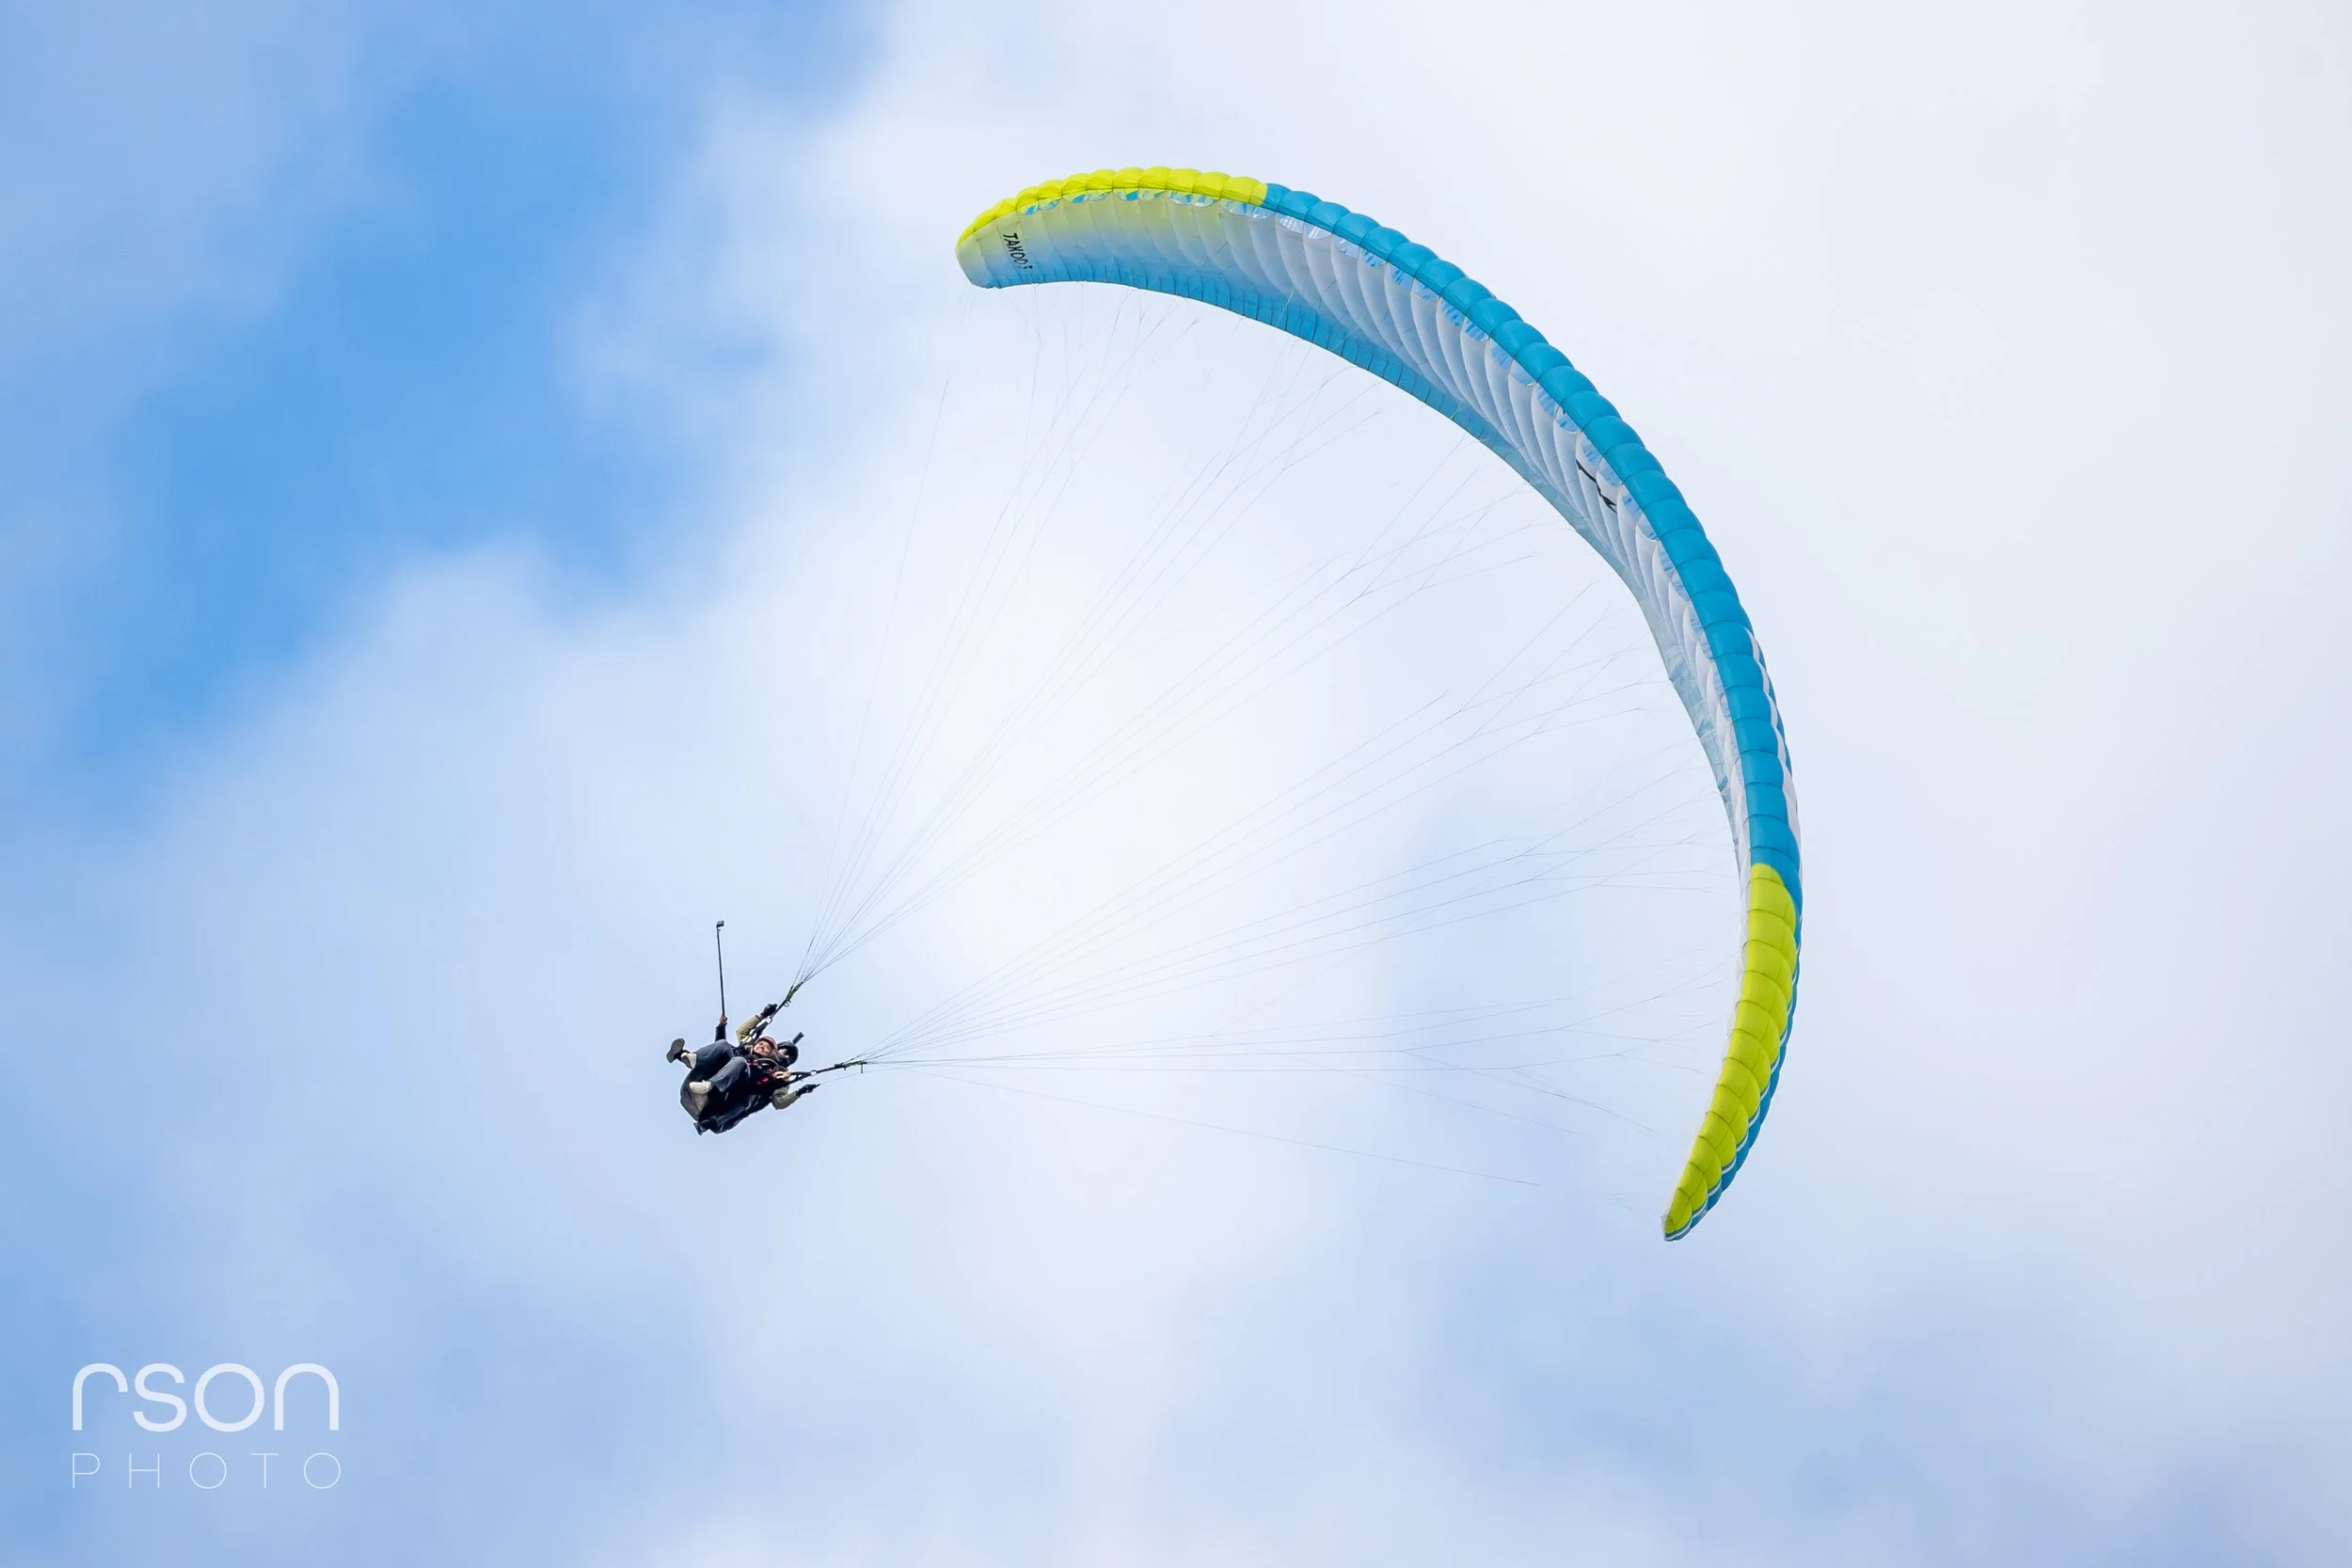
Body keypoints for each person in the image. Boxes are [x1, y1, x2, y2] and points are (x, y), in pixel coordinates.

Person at [665, 1006, 817, 1133]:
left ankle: (710, 1089)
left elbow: (779, 1102)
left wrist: (799, 1092)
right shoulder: (747, 1050)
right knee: (724, 1045)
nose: (782, 1055)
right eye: (782, 1050)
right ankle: (689, 1058)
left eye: (786, 1055)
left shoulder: (778, 1075)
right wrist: (761, 1015)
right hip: (714, 1084)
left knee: (740, 1062)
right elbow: (741, 1033)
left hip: (731, 1102)